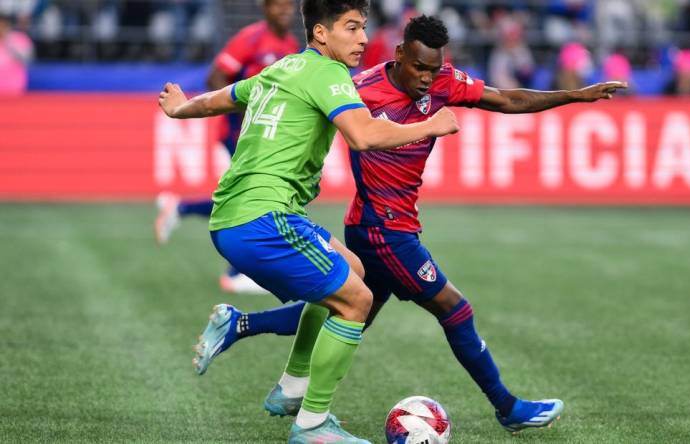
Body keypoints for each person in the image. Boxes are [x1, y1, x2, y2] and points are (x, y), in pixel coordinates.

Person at [195, 15, 626, 434]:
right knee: (455, 310)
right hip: (383, 231)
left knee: (347, 312)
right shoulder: (358, 88)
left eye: (433, 68)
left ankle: (241, 329)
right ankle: (508, 407)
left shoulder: (445, 81)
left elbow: (507, 100)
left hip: (382, 226)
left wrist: (573, 95)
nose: (425, 77)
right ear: (400, 54)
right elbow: (307, 110)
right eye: (418, 66)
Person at [158, 1, 459, 442]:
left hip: (241, 216)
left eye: (364, 28)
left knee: (353, 272)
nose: (362, 39)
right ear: (321, 33)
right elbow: (364, 135)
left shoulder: (282, 69)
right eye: (352, 28)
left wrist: (182, 108)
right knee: (356, 302)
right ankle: (312, 425)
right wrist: (430, 125)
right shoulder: (328, 74)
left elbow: (224, 97)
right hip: (263, 218)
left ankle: (292, 388)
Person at [155, 0, 299, 294]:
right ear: (266, 8)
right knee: (253, 196)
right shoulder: (250, 38)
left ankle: (180, 208)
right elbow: (216, 76)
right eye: (279, 5)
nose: (285, 11)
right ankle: (236, 273)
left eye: (289, 6)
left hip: (268, 134)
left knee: (248, 196)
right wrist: (242, 112)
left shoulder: (291, 44)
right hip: (239, 131)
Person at [0, 11, 33, 96]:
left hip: (14, 86)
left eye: (3, 25)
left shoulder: (20, 38)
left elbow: (26, 60)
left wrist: (7, 40)